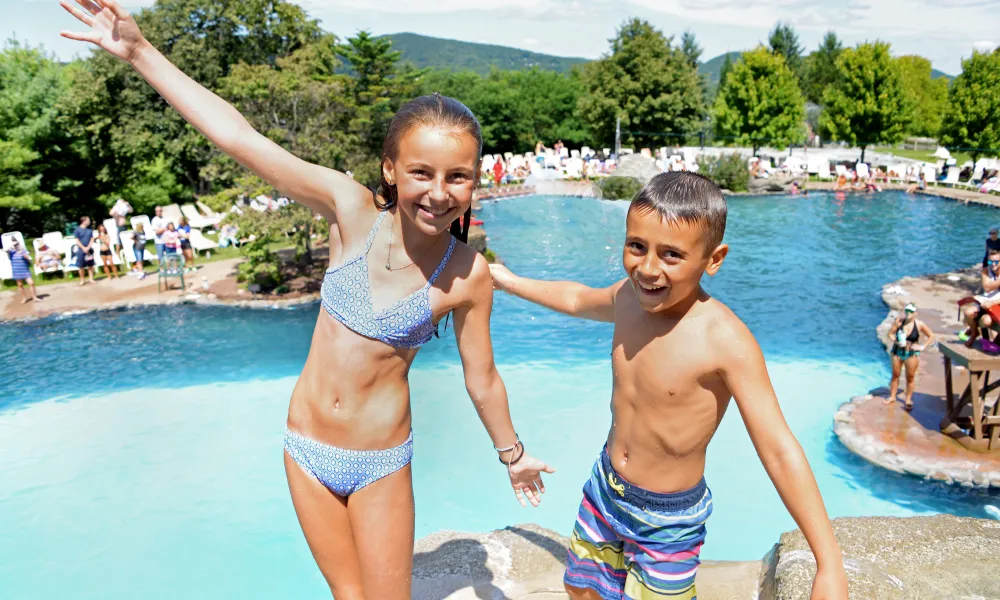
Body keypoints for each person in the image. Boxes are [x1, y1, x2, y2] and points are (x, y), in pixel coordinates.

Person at [58, 4, 554, 599]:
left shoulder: (467, 273)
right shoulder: (349, 211)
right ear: (391, 169)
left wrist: (513, 455)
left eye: (459, 176)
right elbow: (240, 137)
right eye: (422, 172)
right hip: (304, 447)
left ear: (477, 179)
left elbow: (484, 378)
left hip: (380, 462)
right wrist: (141, 53)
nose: (439, 193)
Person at [489, 172, 848, 600]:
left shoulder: (724, 340)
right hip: (605, 487)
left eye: (671, 255)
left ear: (713, 259)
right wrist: (508, 280)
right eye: (636, 246)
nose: (648, 268)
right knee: (582, 589)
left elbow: (777, 447)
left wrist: (828, 563)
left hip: (668, 518)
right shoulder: (626, 298)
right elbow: (576, 298)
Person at [882, 303, 934, 411]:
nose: (908, 313)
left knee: (910, 377)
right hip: (898, 351)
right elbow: (890, 334)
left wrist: (922, 347)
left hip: (911, 353)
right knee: (895, 375)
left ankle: (908, 399)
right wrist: (896, 341)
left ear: (915, 313)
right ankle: (892, 396)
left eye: (911, 311)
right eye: (907, 311)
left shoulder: (919, 324)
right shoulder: (899, 322)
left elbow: (931, 336)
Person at [962, 247, 1000, 348]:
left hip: (996, 303)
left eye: (996, 261)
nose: (993, 264)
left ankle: (989, 340)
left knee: (986, 321)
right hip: (985, 299)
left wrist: (992, 303)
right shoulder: (985, 271)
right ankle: (974, 333)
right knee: (968, 312)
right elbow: (987, 287)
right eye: (990, 261)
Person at [6, 239, 39, 303]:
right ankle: (24, 298)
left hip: (25, 270)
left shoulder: (23, 251)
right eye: (15, 244)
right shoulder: (11, 253)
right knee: (20, 285)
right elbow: (6, 250)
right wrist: (11, 246)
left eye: (17, 244)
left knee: (31, 283)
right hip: (16, 270)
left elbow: (29, 260)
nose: (16, 245)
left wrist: (22, 253)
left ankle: (34, 297)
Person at [73, 216, 96, 286]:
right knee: (81, 266)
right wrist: (83, 248)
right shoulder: (77, 230)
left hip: (89, 250)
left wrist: (88, 247)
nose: (89, 222)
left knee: (90, 264)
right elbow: (77, 241)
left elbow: (92, 239)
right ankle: (82, 279)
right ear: (84, 221)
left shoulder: (89, 230)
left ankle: (91, 278)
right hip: (80, 250)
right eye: (88, 220)